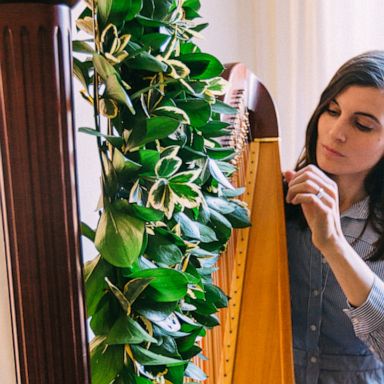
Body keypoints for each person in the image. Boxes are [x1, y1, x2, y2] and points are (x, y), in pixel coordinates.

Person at [284, 50, 384, 383]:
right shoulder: (278, 202)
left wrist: (333, 243)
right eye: (332, 110)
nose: (335, 133)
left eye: (362, 124)